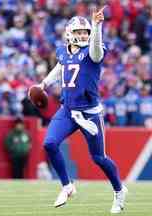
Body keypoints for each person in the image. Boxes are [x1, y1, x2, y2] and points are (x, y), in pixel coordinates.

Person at [35, 6, 128, 214]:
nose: (82, 36)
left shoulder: (93, 50)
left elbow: (95, 51)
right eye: (78, 32)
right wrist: (44, 84)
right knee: (50, 143)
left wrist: (96, 26)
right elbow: (61, 67)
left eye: (84, 32)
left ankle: (119, 190)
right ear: (69, 33)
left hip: (89, 113)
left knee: (99, 158)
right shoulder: (63, 51)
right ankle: (67, 186)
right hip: (67, 110)